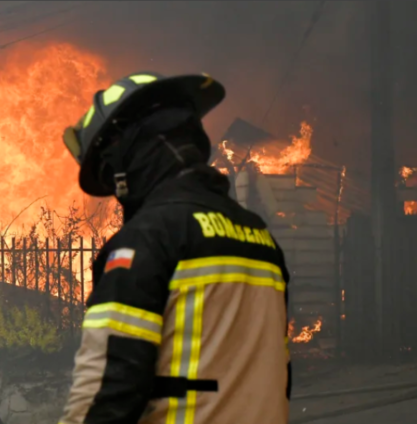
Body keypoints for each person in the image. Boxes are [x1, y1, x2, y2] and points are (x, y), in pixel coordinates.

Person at [59, 72, 291, 424]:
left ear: (129, 156)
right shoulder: (259, 237)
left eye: (112, 172)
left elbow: (107, 387)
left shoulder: (146, 240)